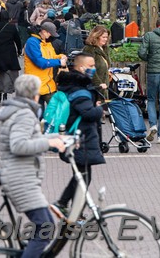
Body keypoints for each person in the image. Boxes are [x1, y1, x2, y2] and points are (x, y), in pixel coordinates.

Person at [0, 75, 66, 258]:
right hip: (20, 179)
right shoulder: (25, 114)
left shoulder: (18, 111)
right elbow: (18, 145)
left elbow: (31, 139)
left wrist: (56, 138)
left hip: (20, 176)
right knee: (46, 227)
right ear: (35, 94)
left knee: (42, 227)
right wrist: (50, 144)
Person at [54, 53, 105, 213]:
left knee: (82, 177)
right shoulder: (80, 90)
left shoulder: (71, 85)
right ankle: (70, 209)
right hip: (81, 138)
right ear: (81, 67)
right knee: (83, 177)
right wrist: (98, 109)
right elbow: (88, 113)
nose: (93, 69)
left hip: (77, 137)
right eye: (90, 66)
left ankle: (71, 209)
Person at [23, 22, 67, 108]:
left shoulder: (46, 42)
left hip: (47, 84)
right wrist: (59, 62)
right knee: (38, 116)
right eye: (49, 33)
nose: (51, 36)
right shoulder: (32, 42)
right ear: (43, 31)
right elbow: (40, 62)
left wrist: (60, 56)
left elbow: (51, 56)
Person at [0, 9, 22, 104]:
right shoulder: (12, 27)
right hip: (10, 52)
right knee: (9, 73)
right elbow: (17, 39)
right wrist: (19, 49)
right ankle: (5, 93)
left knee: (0, 74)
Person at [82, 25, 111, 100]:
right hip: (94, 88)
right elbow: (88, 68)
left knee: (104, 110)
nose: (105, 39)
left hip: (104, 88)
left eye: (106, 37)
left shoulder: (105, 49)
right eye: (103, 37)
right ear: (96, 37)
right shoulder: (89, 49)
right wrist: (98, 83)